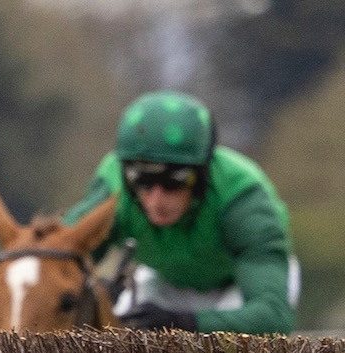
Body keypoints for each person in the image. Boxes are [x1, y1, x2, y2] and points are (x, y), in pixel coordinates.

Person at [65, 91, 297, 334]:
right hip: (165, 282)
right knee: (120, 331)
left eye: (174, 182)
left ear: (203, 173)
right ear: (126, 173)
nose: (156, 200)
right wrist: (97, 291)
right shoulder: (113, 186)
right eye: (142, 180)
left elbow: (272, 317)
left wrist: (183, 324)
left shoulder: (242, 196)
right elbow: (53, 256)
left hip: (239, 286)